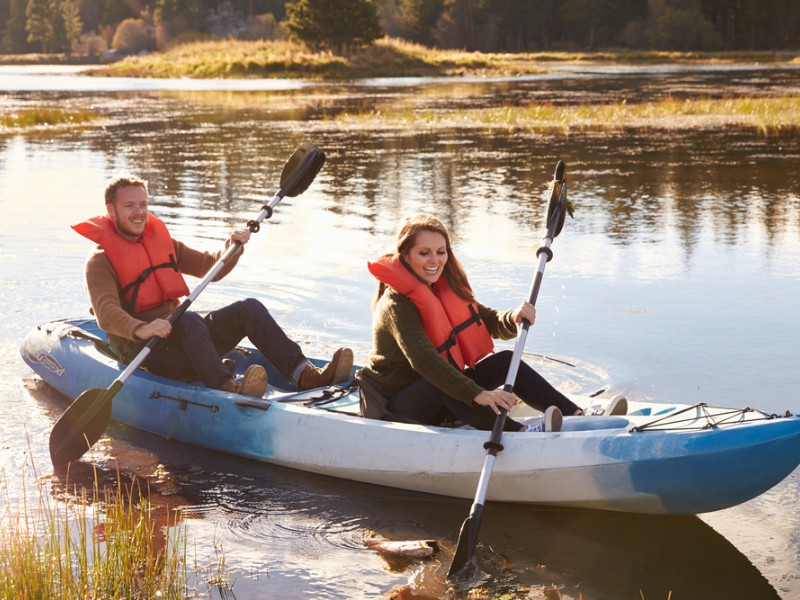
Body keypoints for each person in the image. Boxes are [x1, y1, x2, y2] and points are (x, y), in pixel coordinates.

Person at [73, 175, 353, 398]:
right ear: (111, 210)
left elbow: (209, 266)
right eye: (130, 206)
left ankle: (304, 374)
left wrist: (232, 249)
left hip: (182, 337)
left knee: (249, 309)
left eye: (143, 204)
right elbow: (106, 312)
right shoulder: (100, 260)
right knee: (190, 318)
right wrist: (141, 328)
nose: (139, 212)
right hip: (149, 350)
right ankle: (225, 387)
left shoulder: (160, 243)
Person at [359, 214, 625, 434]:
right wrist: (477, 393)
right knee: (443, 382)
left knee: (506, 360)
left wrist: (512, 318)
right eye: (424, 253)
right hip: (395, 406)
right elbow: (424, 361)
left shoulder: (439, 289)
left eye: (441, 252)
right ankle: (521, 433)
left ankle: (577, 415)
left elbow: (485, 320)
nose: (435, 260)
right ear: (405, 256)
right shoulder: (396, 305)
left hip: (439, 391)